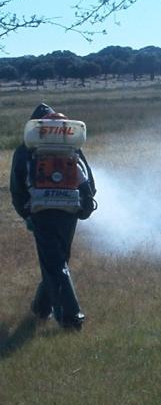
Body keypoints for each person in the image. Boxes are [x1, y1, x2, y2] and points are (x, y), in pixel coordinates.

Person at [10, 103, 96, 330]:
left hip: (41, 211)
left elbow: (17, 188)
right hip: (69, 211)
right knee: (58, 261)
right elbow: (87, 179)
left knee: (55, 263)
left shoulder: (25, 149)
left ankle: (71, 318)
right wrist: (85, 205)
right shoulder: (71, 147)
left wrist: (26, 213)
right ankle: (41, 308)